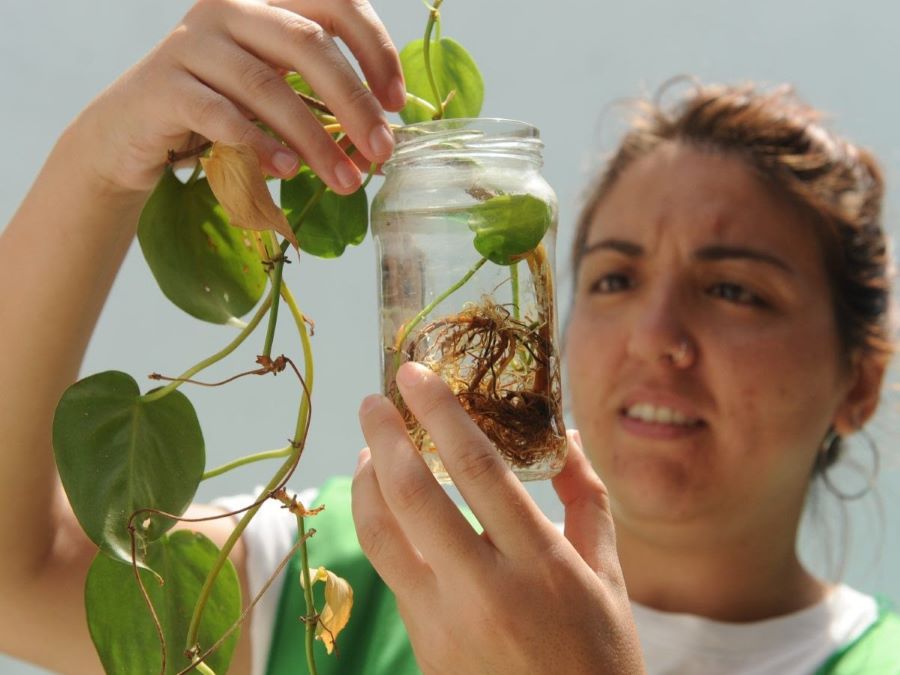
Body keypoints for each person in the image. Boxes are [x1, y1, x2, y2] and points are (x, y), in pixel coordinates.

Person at [0, 0, 897, 673]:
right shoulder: (360, 572)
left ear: (859, 379)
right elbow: (17, 571)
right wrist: (103, 161)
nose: (656, 335)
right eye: (615, 279)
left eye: (735, 291)